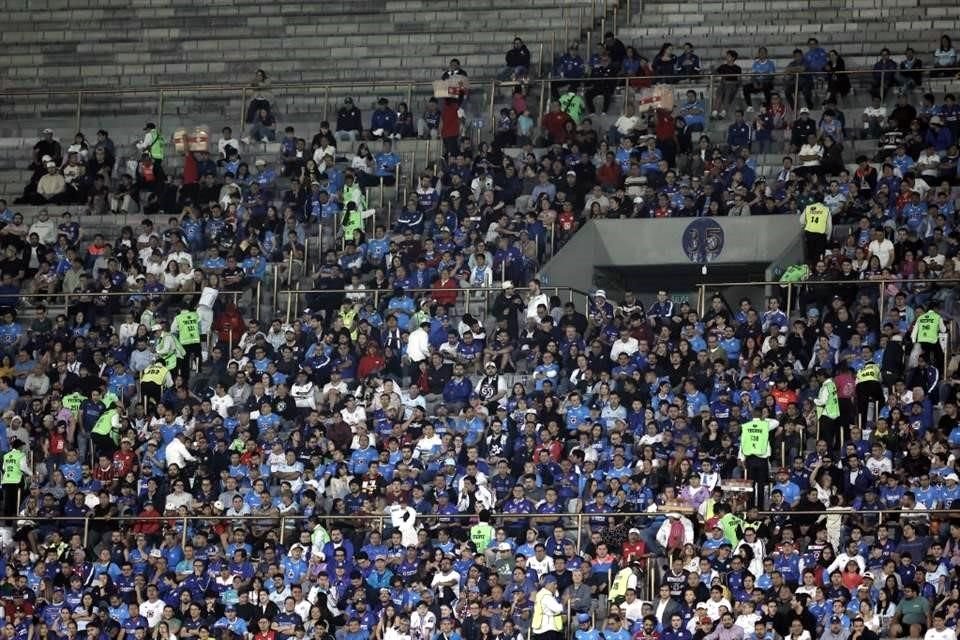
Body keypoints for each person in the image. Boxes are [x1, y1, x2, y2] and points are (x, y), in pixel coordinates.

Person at [737, 408, 779, 507]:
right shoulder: (765, 424)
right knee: (761, 485)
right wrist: (764, 419)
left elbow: (743, 442)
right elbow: (776, 422)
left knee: (750, 485)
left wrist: (741, 458)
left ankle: (750, 508)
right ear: (761, 415)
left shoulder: (746, 426)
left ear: (752, 415)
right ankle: (760, 508)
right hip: (762, 460)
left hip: (750, 459)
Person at [1, 438, 30, 521]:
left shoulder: (6, 455)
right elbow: (24, 468)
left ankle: (8, 521)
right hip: (16, 480)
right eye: (22, 446)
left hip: (7, 480)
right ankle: (16, 518)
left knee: (8, 501)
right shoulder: (21, 455)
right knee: (17, 499)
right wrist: (31, 474)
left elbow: (4, 468)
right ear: (19, 447)